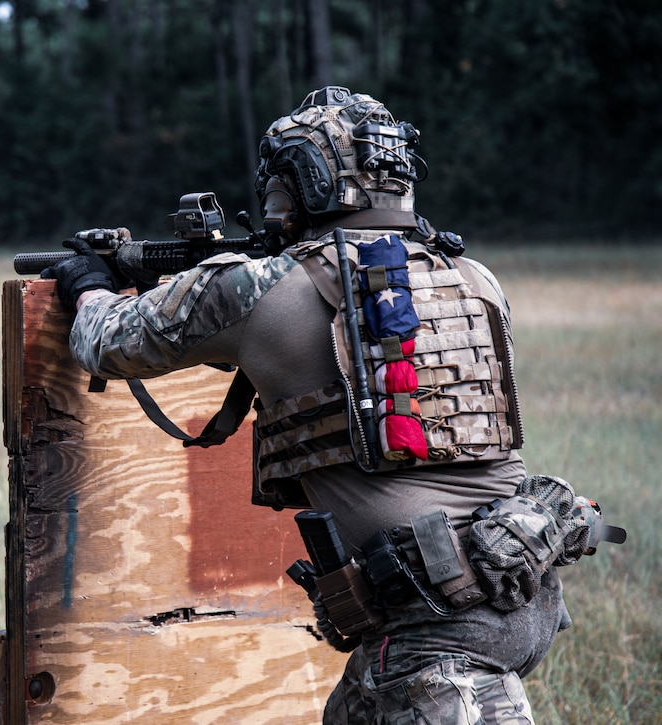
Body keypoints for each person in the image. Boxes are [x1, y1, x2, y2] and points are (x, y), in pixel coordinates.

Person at [42, 86, 617, 724]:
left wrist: (89, 285)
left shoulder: (260, 289)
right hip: (514, 587)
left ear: (306, 182)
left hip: (433, 639)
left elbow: (107, 343)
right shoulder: (474, 278)